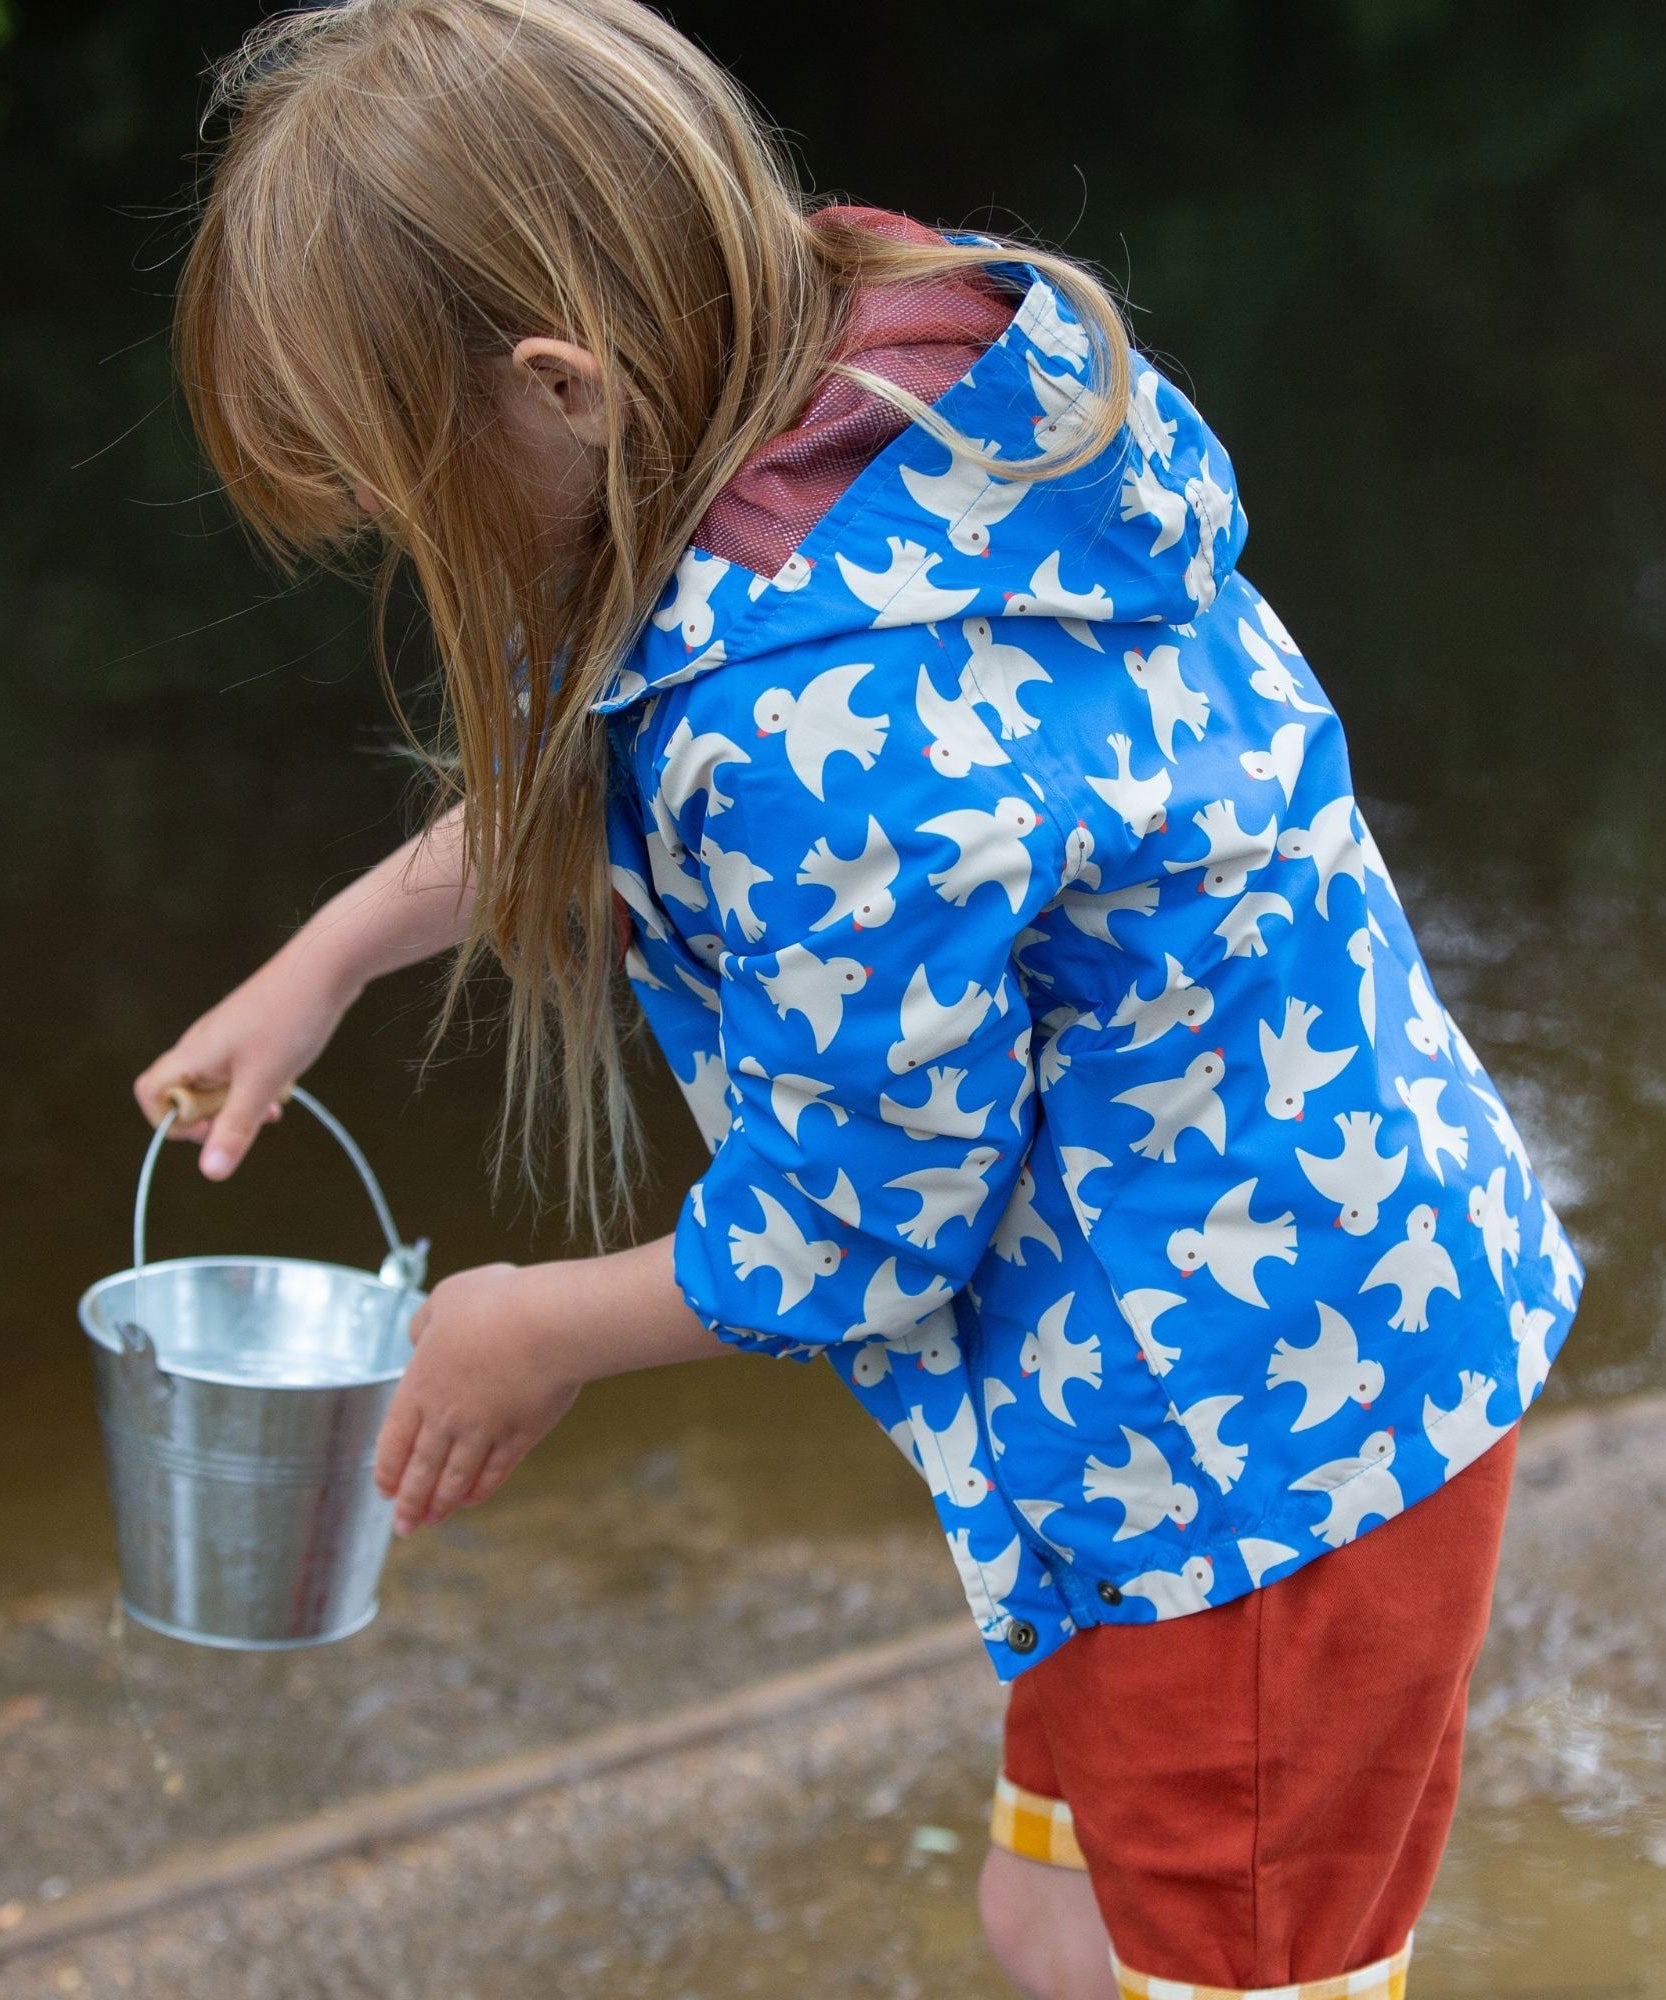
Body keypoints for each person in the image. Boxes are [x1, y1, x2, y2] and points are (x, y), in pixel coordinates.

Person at [134, 3, 1585, 1994]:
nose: (401, 543)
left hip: (1256, 1442)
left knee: (1240, 1967)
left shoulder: (826, 735)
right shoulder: (853, 397)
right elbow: (613, 762)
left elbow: (860, 1224)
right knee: (1047, 1920)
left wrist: (523, 1325)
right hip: (1174, 1373)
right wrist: (328, 949)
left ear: (565, 389)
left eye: (400, 489)